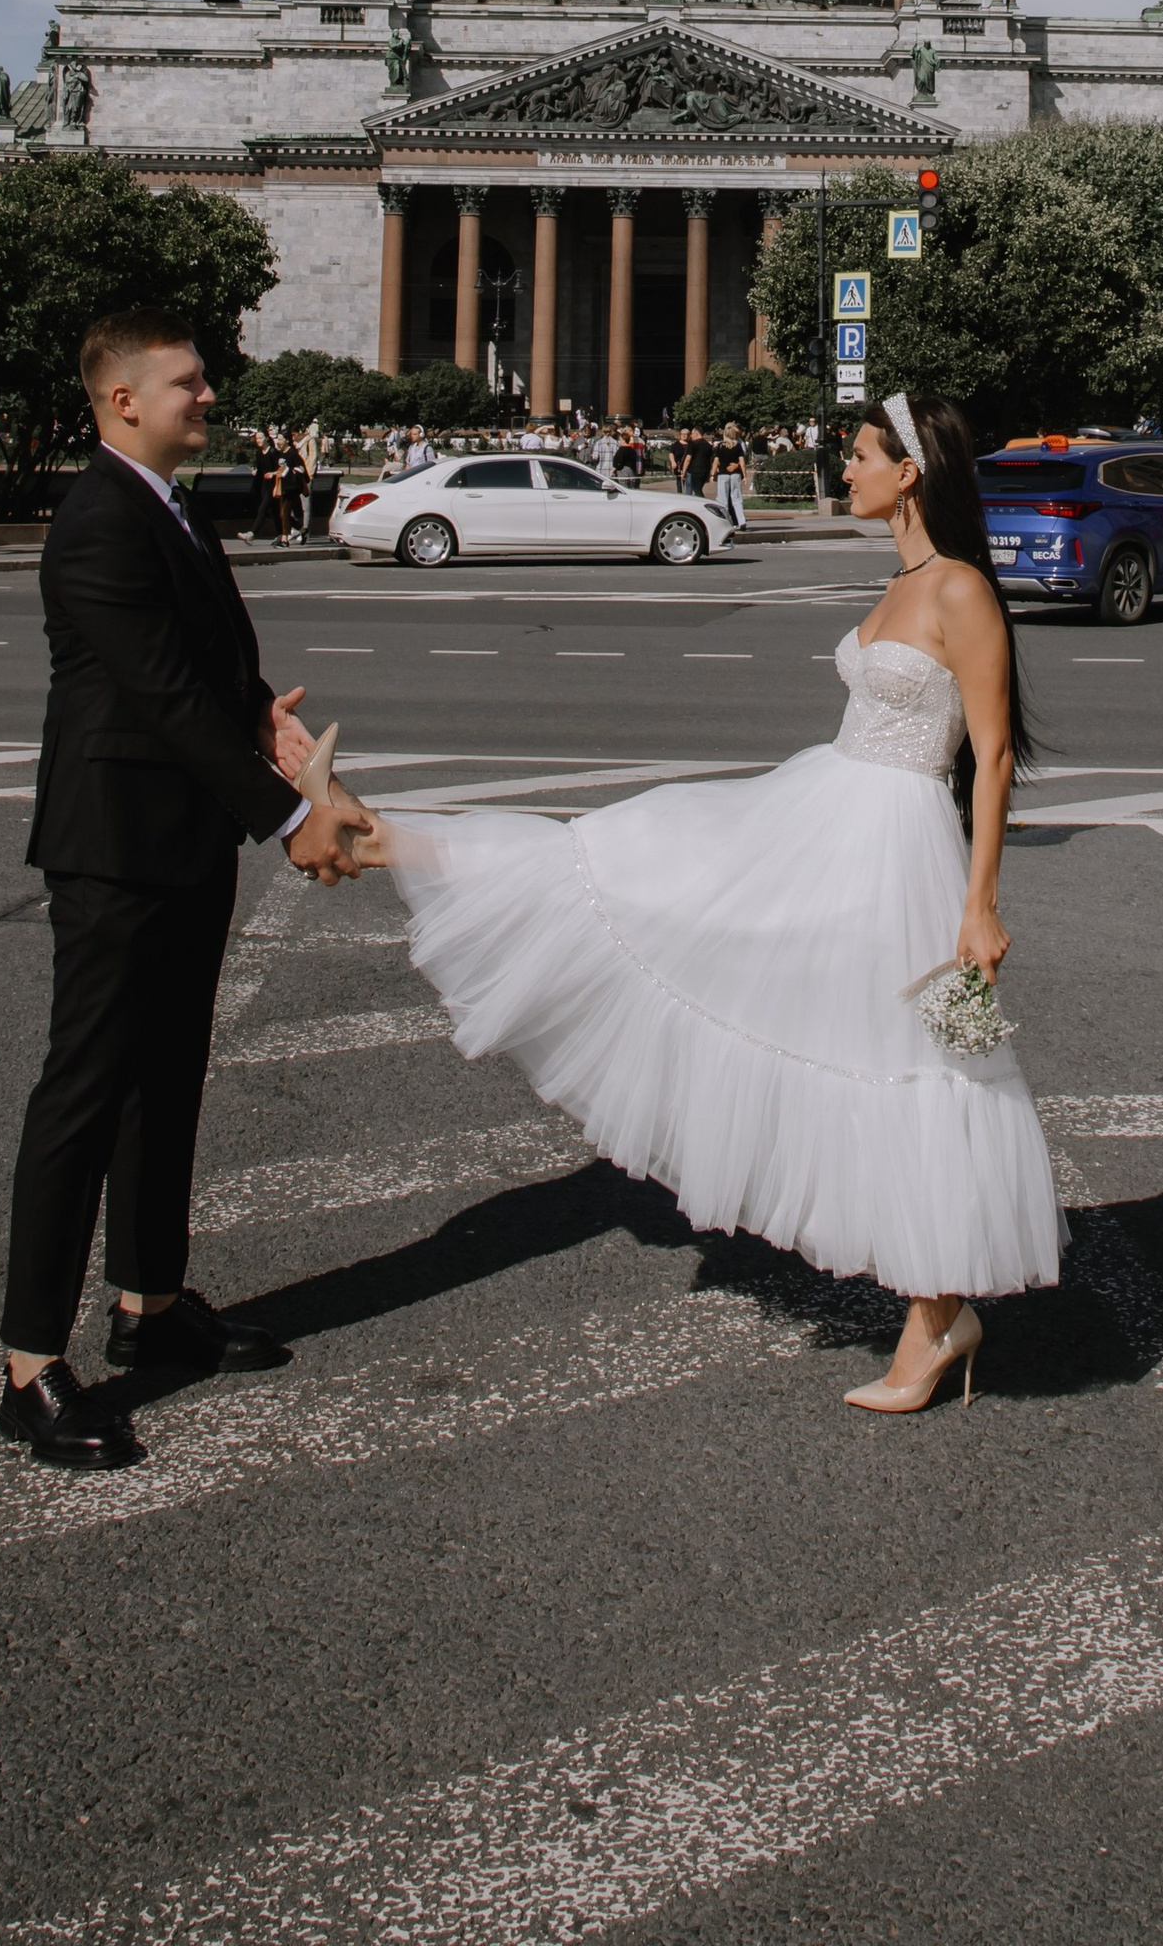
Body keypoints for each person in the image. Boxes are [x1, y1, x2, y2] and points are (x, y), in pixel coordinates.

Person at [354, 386, 1060, 1408]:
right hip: (826, 810)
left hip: (895, 840)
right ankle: (391, 842)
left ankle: (936, 1321)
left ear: (910, 473)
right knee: (637, 873)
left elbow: (992, 755)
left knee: (916, 1068)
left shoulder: (957, 589)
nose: (846, 468)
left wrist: (980, 900)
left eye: (860, 454)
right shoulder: (899, 581)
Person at [0, 308, 368, 1471]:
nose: (209, 399)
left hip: (181, 836)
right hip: (114, 846)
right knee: (87, 1091)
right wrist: (294, 816)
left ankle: (152, 1301)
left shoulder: (166, 505)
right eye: (190, 385)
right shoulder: (97, 521)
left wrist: (260, 712)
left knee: (166, 1079)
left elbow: (204, 661)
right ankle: (28, 1365)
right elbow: (156, 691)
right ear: (123, 402)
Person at [712, 421, 747, 528]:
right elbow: (742, 462)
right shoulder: (738, 446)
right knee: (737, 498)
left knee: (723, 500)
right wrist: (745, 476)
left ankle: (725, 522)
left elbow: (716, 461)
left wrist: (712, 473)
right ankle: (742, 521)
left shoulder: (720, 446)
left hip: (723, 474)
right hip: (735, 474)